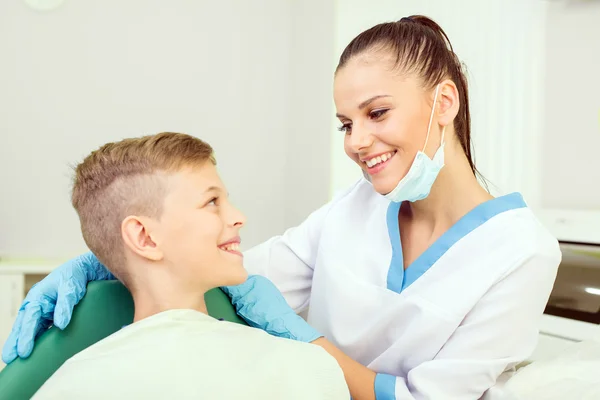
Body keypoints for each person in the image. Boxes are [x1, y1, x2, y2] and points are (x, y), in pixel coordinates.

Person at [3, 15, 561, 400]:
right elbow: (227, 276)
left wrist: (311, 349)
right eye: (346, 124)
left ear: (444, 102)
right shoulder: (356, 207)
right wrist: (106, 259)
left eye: (377, 113)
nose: (356, 142)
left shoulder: (521, 252)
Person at [29, 133, 349, 400]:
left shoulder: (73, 384)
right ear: (145, 237)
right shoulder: (308, 369)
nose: (239, 216)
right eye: (212, 202)